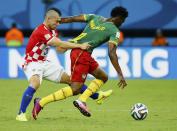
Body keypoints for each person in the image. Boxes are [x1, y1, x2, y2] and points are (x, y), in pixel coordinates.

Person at [32, 6, 128, 118]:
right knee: (75, 88)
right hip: (81, 53)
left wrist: (56, 21)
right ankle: (41, 102)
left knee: (103, 77)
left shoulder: (94, 17)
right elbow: (112, 53)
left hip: (84, 53)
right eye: (123, 20)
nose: (122, 23)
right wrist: (120, 74)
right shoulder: (115, 31)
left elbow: (72, 19)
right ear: (118, 18)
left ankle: (83, 100)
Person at [16, 8, 91, 122]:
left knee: (71, 80)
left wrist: (72, 42)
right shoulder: (41, 31)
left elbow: (59, 49)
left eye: (59, 22)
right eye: (56, 21)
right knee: (35, 83)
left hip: (44, 63)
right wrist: (79, 46)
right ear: (48, 18)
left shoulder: (53, 31)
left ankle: (96, 96)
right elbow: (59, 43)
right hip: (32, 62)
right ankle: (21, 114)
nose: (58, 24)